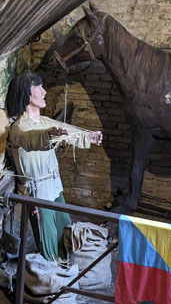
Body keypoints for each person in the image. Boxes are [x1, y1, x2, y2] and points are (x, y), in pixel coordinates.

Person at [6, 71, 103, 262]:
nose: (44, 92)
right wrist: (49, 135)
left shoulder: (43, 121)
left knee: (64, 229)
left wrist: (88, 136)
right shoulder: (20, 127)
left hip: (54, 187)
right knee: (47, 238)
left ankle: (65, 267)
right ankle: (52, 277)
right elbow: (30, 139)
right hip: (37, 192)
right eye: (38, 88)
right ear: (27, 93)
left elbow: (66, 131)